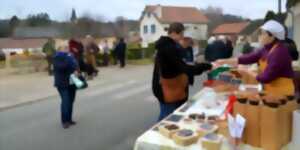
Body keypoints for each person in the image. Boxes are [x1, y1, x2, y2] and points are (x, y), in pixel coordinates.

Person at [152, 22, 213, 121]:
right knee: (167, 117)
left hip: (166, 87)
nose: (182, 37)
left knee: (168, 115)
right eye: (182, 34)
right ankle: (156, 134)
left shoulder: (167, 45)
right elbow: (184, 68)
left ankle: (160, 131)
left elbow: (179, 66)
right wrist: (205, 66)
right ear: (176, 33)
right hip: (166, 89)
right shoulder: (168, 47)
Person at [216, 20, 295, 96]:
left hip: (283, 94)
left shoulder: (279, 52)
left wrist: (247, 71)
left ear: (273, 36)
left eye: (263, 34)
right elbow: (248, 58)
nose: (260, 36)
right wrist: (224, 61)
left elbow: (265, 78)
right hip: (270, 91)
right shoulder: (265, 49)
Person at [53, 41, 78, 129]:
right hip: (62, 83)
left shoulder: (70, 56)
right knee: (65, 101)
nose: (67, 48)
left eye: (67, 47)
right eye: (65, 47)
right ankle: (64, 121)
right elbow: (62, 67)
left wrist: (75, 69)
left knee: (71, 101)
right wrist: (69, 57)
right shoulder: (57, 57)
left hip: (72, 81)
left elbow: (75, 65)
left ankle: (69, 119)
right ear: (59, 49)